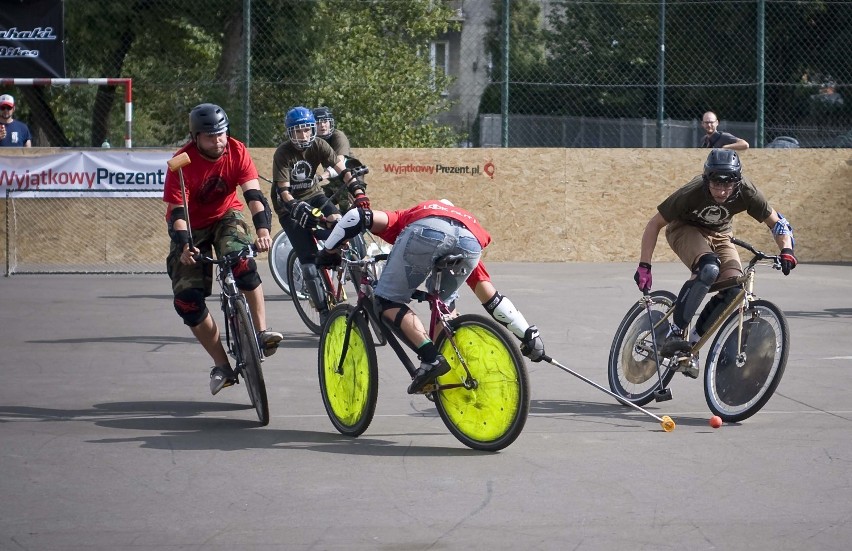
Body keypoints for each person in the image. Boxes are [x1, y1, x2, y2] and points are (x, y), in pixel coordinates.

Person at [315, 198, 546, 394]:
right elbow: (492, 299)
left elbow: (356, 216)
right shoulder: (461, 224)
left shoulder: (413, 214)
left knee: (387, 300)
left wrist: (328, 252)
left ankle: (431, 358)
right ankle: (450, 366)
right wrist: (527, 334)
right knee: (444, 304)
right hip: (471, 241)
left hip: (425, 232)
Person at [634, 149, 796, 377]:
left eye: (727, 185)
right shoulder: (691, 192)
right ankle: (675, 331)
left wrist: (786, 250)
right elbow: (654, 224)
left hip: (721, 235)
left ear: (737, 182)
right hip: (684, 229)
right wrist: (645, 265)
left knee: (734, 288)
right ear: (706, 179)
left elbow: (778, 223)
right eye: (715, 184)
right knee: (708, 268)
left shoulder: (747, 192)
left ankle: (692, 346)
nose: (721, 191)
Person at [164, 103, 283, 395]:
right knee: (187, 301)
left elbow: (254, 196)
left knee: (243, 263)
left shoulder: (236, 150)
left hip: (227, 216)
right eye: (209, 136)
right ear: (195, 137)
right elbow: (177, 213)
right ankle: (221, 365)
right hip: (191, 228)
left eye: (221, 133)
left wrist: (264, 230)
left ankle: (260, 332)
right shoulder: (181, 163)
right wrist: (185, 245)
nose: (218, 141)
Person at [270, 106, 361, 325]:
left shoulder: (320, 144)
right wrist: (295, 207)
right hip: (289, 205)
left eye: (307, 130)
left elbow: (342, 169)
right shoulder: (282, 153)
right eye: (298, 132)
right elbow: (283, 191)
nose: (304, 136)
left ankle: (340, 265)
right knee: (309, 263)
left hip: (314, 195)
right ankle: (322, 311)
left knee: (341, 223)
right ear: (290, 133)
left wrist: (358, 191)